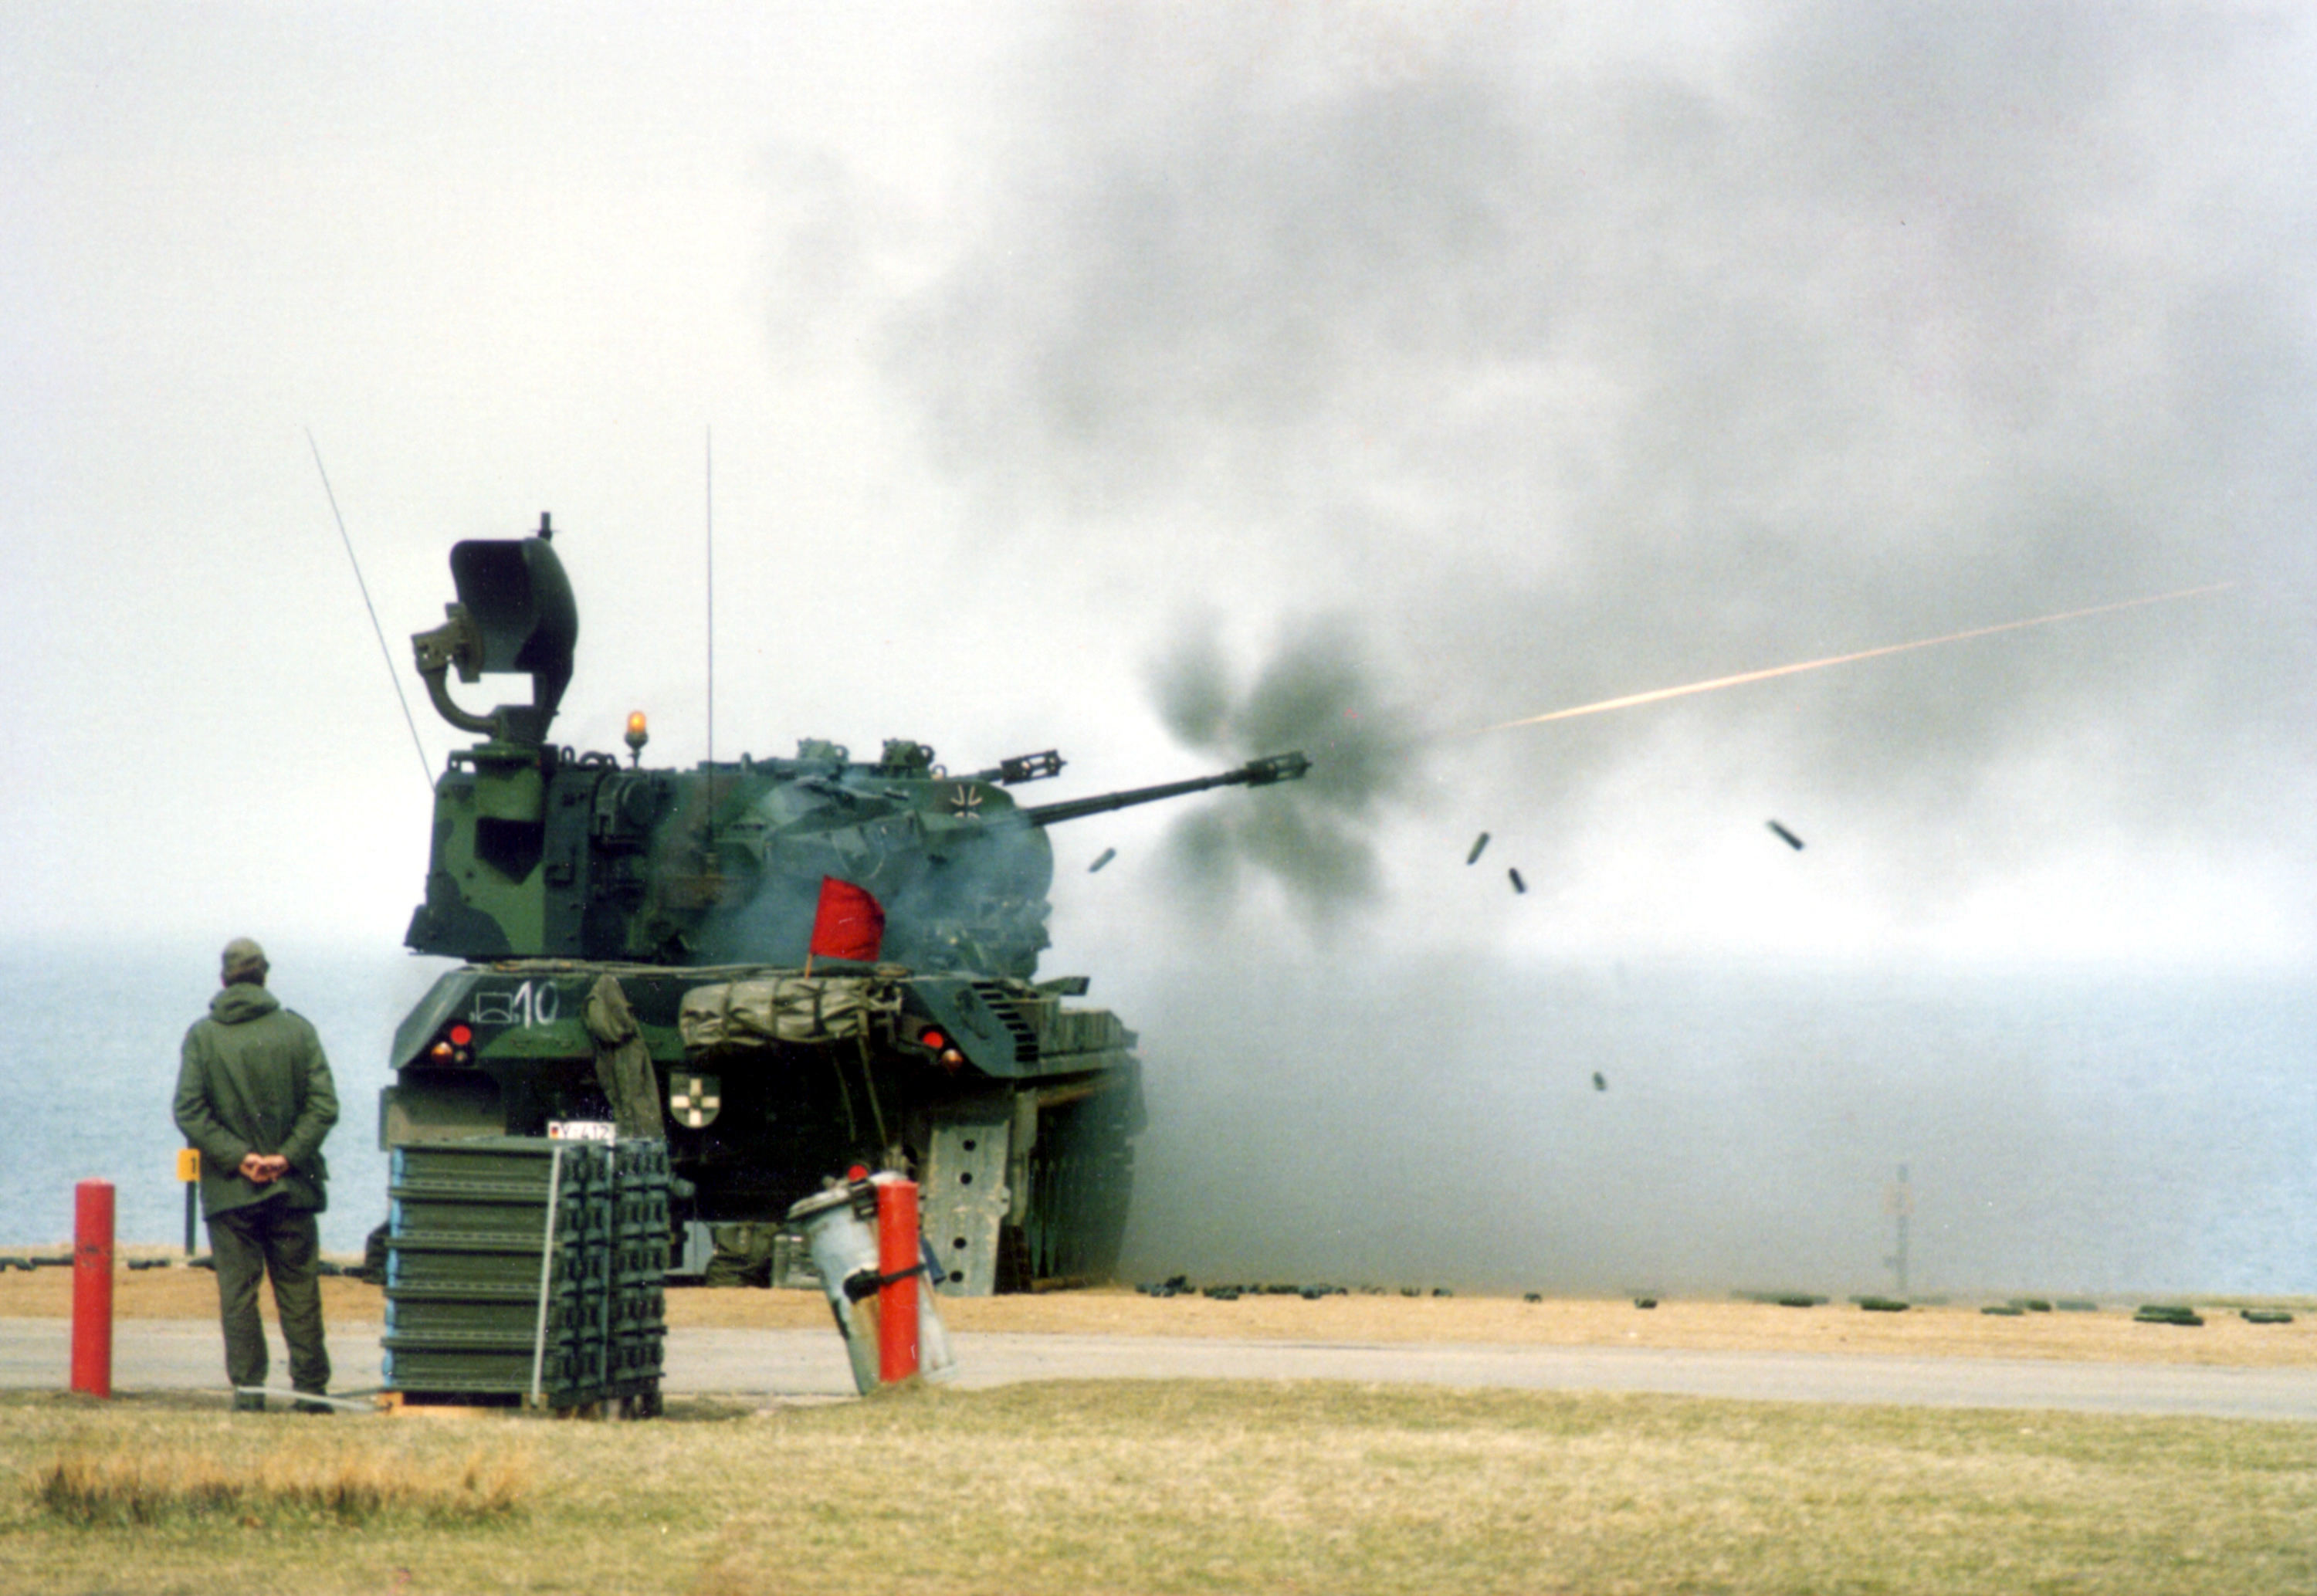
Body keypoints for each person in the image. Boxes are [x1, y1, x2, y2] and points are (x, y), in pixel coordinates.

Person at [172, 937, 339, 1413]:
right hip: (294, 1187)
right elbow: (324, 1106)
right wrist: (285, 1157)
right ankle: (310, 1392)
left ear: (224, 980)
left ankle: (249, 1393)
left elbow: (189, 1109)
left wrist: (239, 1158)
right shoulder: (298, 1031)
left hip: (230, 1191)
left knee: (238, 1295)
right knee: (299, 1290)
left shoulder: (203, 1037)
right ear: (264, 976)